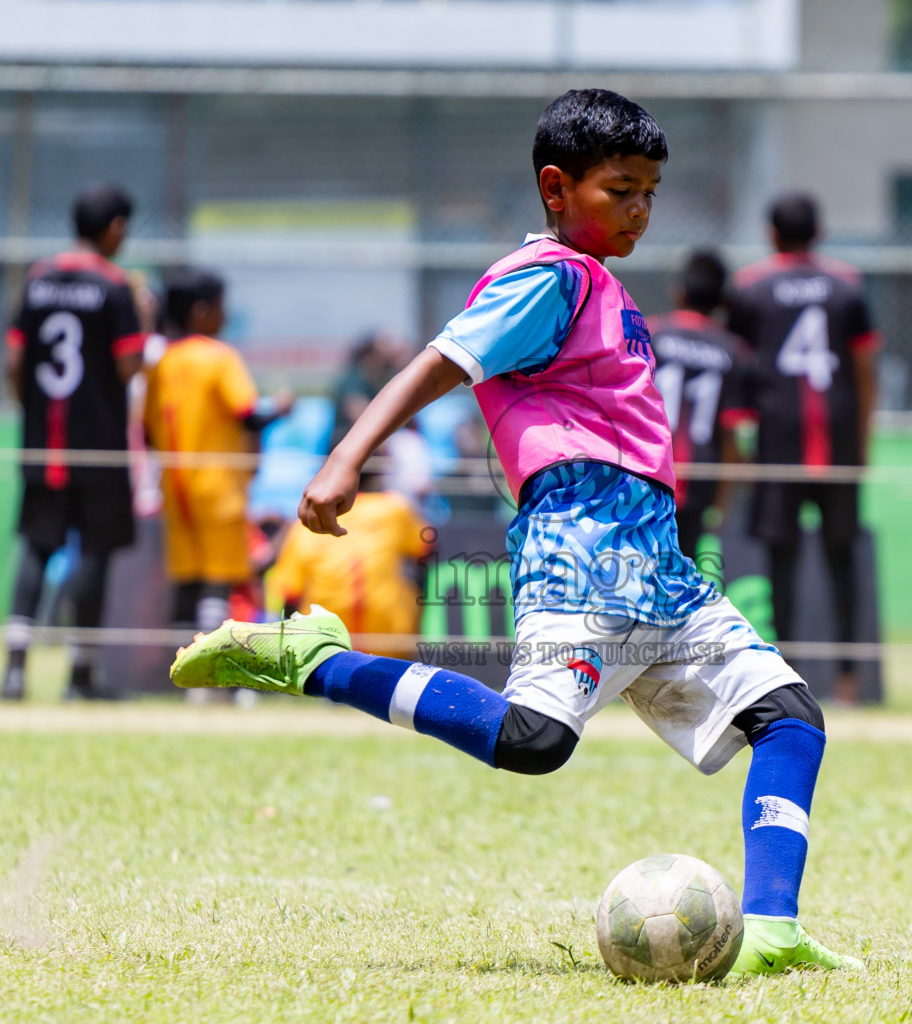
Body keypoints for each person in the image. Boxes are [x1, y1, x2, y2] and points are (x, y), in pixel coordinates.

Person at [171, 89, 861, 977]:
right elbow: (441, 364)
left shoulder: (599, 283)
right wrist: (346, 456)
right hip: (581, 551)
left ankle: (770, 930)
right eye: (622, 190)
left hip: (659, 563)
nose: (641, 210)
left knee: (791, 718)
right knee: (536, 743)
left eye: (652, 191)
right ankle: (313, 659)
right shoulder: (546, 278)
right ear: (555, 187)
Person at [726, 192, 879, 706]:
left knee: (782, 561)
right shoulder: (848, 286)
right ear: (820, 231)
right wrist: (864, 440)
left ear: (771, 233)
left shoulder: (750, 287)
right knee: (843, 560)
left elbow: (736, 367)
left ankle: (786, 680)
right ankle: (849, 680)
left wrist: (739, 445)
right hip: (837, 441)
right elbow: (864, 370)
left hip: (778, 443)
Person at [0, 183, 146, 702]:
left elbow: (14, 361)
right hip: (99, 443)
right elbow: (130, 364)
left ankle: (14, 670)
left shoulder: (37, 278)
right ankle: (79, 675)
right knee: (96, 549)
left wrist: (32, 413)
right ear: (116, 228)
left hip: (43, 442)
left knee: (38, 545)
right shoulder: (115, 285)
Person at [142, 269, 291, 648]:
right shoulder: (218, 357)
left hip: (175, 488)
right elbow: (248, 414)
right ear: (201, 311)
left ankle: (177, 668)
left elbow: (145, 429)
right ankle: (205, 675)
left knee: (186, 577)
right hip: (218, 485)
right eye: (221, 308)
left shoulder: (159, 363)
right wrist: (282, 408)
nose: (225, 316)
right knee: (217, 578)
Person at [269, 472, 433, 660]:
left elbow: (289, 591)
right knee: (412, 580)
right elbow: (426, 547)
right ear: (376, 472)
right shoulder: (394, 509)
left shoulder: (308, 520)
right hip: (390, 637)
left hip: (325, 645)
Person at [647, 250, 746, 559]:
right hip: (701, 476)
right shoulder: (733, 350)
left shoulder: (648, 332)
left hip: (647, 469)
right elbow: (733, 433)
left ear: (679, 291)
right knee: (682, 569)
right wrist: (724, 499)